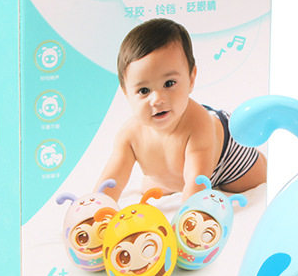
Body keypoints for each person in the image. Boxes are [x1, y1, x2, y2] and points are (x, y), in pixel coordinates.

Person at [97, 18, 266, 202]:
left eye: (169, 83)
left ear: (191, 79)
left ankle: (259, 157)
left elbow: (196, 184)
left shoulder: (199, 124)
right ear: (126, 92)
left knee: (255, 178)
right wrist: (95, 209)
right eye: (144, 91)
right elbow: (110, 182)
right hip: (175, 176)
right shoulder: (129, 135)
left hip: (227, 158)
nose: (157, 99)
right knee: (149, 188)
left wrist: (186, 214)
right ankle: (170, 180)